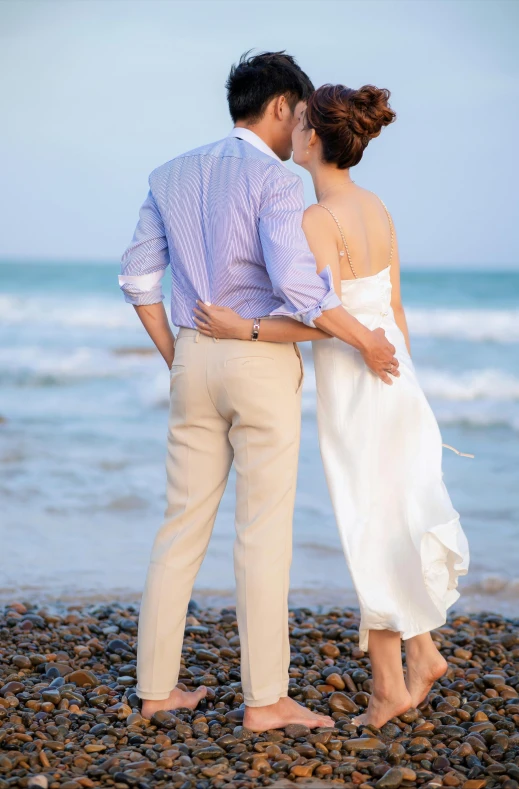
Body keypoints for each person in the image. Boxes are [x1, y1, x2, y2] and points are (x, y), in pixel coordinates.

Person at [118, 53, 398, 732]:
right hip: (258, 359)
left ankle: (156, 691)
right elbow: (303, 295)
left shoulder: (169, 173)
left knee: (179, 525)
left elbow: (137, 280)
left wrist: (177, 354)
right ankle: (265, 699)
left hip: (192, 355)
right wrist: (363, 339)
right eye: (299, 114)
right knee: (262, 533)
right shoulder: (274, 185)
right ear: (280, 106)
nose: (301, 127)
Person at [193, 83, 470, 728]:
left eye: (299, 123)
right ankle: (422, 653)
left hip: (357, 379)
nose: (288, 127)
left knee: (369, 520)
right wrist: (399, 370)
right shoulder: (379, 208)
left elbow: (323, 319)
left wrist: (246, 330)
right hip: (396, 373)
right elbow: (393, 311)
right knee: (393, 512)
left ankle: (387, 687)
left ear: (312, 137)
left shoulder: (317, 219)